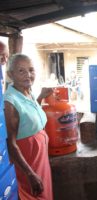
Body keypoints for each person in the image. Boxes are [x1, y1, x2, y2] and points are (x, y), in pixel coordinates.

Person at [4, 53, 54, 200]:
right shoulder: (10, 102)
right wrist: (30, 174)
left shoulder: (27, 92)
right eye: (21, 71)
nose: (28, 75)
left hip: (40, 160)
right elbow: (10, 144)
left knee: (45, 193)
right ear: (10, 74)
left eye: (31, 70)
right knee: (34, 195)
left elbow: (29, 116)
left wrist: (40, 96)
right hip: (28, 163)